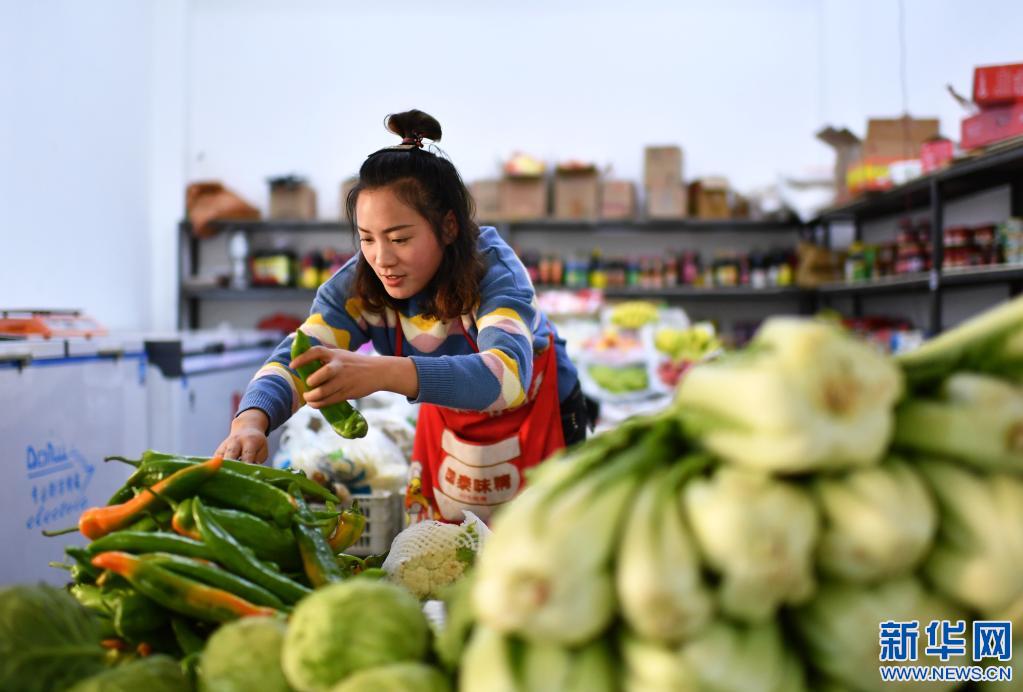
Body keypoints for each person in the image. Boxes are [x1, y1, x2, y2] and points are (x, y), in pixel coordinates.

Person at [216, 109, 589, 523]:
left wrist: (381, 372)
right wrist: (251, 421)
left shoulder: (494, 272)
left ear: (449, 227)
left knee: (542, 538)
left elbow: (507, 377)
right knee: (448, 541)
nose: (382, 259)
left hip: (542, 415)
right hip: (452, 417)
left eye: (399, 238)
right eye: (367, 239)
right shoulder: (358, 285)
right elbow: (299, 355)